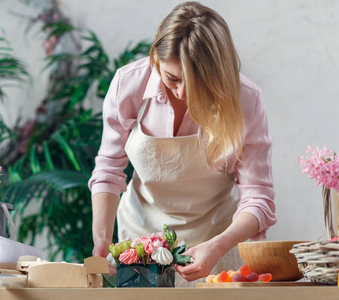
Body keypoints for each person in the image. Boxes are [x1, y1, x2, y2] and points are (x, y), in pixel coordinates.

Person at [88, 1, 276, 284]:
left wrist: (219, 245)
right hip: (141, 243)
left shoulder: (245, 99)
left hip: (216, 242)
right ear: (156, 59)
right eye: (172, 78)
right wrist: (102, 240)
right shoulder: (129, 84)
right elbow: (108, 170)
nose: (183, 92)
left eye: (197, 81)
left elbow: (258, 198)